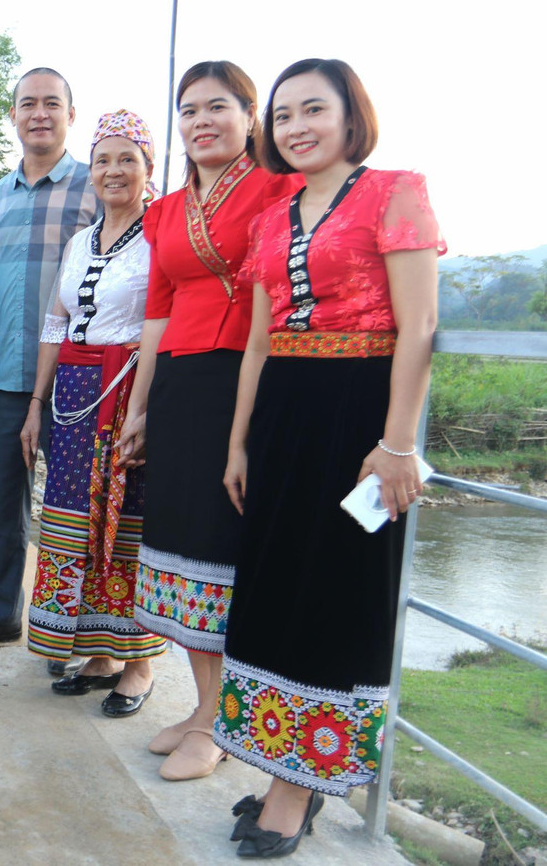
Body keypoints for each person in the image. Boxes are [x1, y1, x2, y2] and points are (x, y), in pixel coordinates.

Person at [216, 59, 442, 856]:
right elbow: (258, 343)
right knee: (276, 583)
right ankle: (284, 763)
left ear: (352, 116)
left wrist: (398, 442)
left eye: (314, 109)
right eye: (282, 115)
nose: (296, 126)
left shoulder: (394, 192)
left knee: (337, 589)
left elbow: (418, 326)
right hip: (283, 415)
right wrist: (239, 442)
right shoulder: (271, 216)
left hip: (358, 418)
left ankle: (303, 780)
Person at [115, 62, 302, 781]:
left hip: (247, 377)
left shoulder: (281, 188)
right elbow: (156, 315)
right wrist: (140, 407)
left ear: (250, 115)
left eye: (217, 107)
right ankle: (205, 707)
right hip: (181, 385)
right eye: (189, 110)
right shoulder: (165, 210)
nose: (201, 122)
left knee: (224, 546)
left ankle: (226, 720)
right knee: (182, 548)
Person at [0, 68, 97, 668]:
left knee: (78, 510)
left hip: (80, 381)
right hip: (9, 379)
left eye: (51, 103)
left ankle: (76, 632)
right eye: (27, 104)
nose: (39, 113)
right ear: (12, 116)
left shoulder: (96, 185)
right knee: (5, 507)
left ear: (71, 114)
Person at [20, 109, 168, 714]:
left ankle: (139, 664)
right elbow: (56, 322)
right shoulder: (82, 241)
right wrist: (37, 403)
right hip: (74, 397)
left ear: (149, 167)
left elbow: (162, 323)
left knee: (127, 523)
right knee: (75, 522)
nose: (113, 170)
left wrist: (144, 409)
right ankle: (99, 653)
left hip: (131, 390)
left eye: (127, 159)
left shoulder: (161, 236)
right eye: (103, 159)